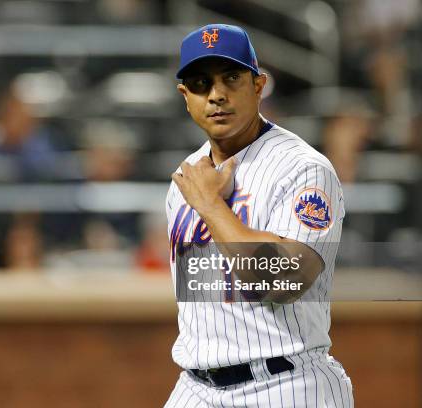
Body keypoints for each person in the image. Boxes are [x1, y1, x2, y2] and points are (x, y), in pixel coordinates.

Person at [164, 24, 353, 407]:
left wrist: (212, 207)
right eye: (201, 83)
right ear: (185, 96)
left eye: (231, 78)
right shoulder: (188, 176)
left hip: (286, 384)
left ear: (258, 85)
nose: (216, 94)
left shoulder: (302, 169)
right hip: (197, 387)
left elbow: (284, 280)